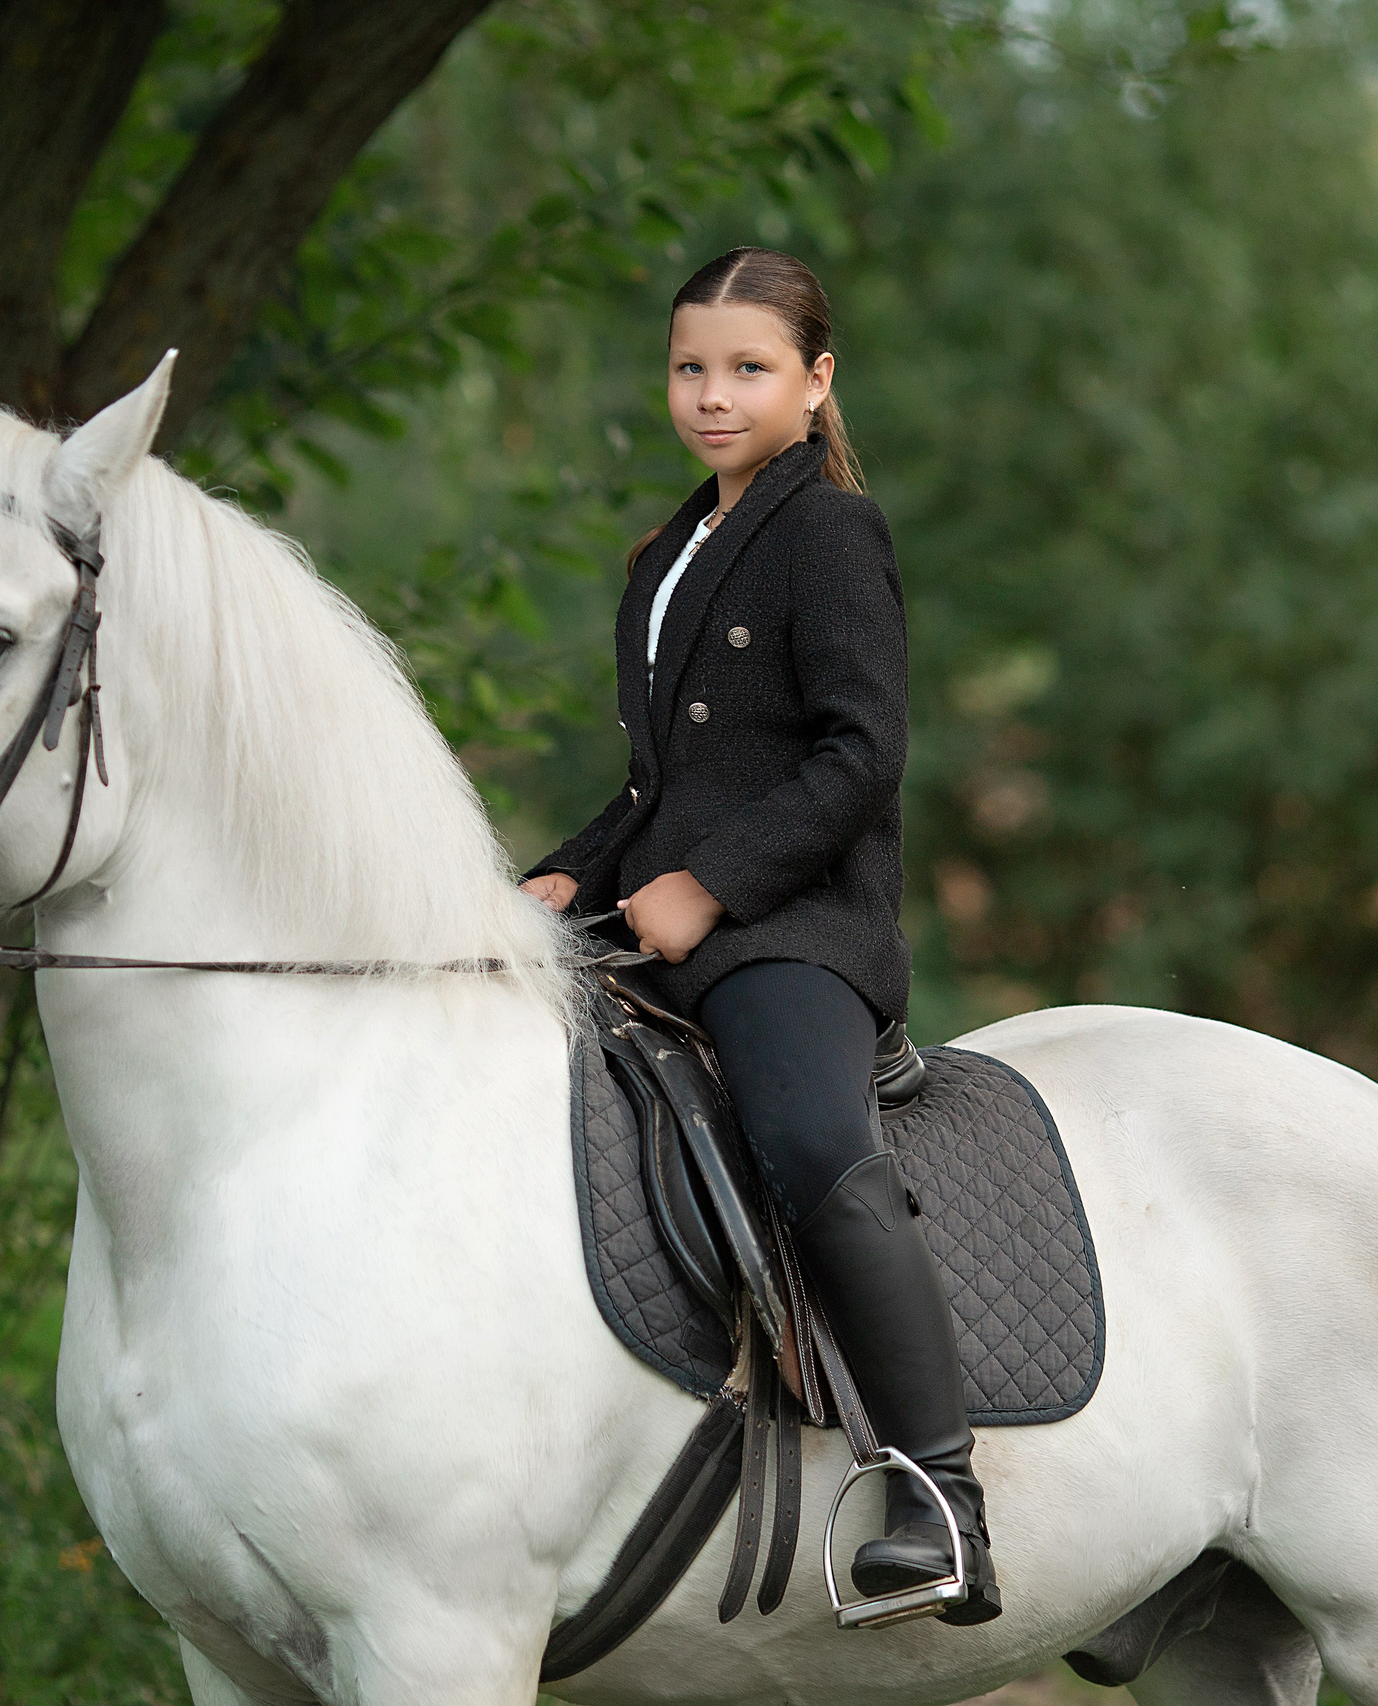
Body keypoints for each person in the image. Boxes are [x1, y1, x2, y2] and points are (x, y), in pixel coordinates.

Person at [521, 247, 998, 1624]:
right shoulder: (665, 553)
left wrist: (710, 887)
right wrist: (565, 877)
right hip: (670, 908)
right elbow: (655, 790)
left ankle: (941, 1491)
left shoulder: (832, 534)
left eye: (749, 369)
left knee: (804, 1138)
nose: (713, 396)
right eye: (690, 367)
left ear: (816, 380)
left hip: (798, 927)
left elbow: (862, 756)